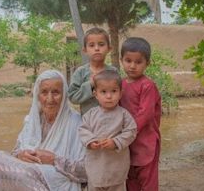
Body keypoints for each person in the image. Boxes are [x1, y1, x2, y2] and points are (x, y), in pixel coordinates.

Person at [0, 70, 86, 191]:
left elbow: (86, 171)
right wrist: (20, 155)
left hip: (56, 178)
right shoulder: (33, 120)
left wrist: (54, 160)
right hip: (27, 173)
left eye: (56, 92)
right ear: (37, 95)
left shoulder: (76, 122)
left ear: (64, 94)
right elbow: (14, 153)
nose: (50, 99)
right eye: (44, 92)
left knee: (24, 173)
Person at [79, 70, 137, 191]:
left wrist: (116, 142)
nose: (109, 96)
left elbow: (131, 131)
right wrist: (90, 141)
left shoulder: (124, 114)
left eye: (114, 91)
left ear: (121, 93)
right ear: (95, 94)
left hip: (117, 167)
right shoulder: (89, 115)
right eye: (103, 92)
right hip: (96, 166)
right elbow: (83, 130)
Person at [119, 37, 162, 191]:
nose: (132, 66)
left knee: (147, 180)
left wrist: (127, 132)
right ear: (121, 60)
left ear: (147, 63)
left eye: (138, 62)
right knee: (131, 178)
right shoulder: (121, 84)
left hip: (146, 141)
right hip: (128, 143)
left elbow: (146, 113)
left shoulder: (147, 85)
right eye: (128, 60)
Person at [68, 27, 117, 115]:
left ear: (109, 49)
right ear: (85, 50)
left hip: (111, 121)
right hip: (88, 123)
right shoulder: (80, 72)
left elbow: (119, 94)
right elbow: (72, 97)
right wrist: (90, 85)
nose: (97, 48)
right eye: (91, 45)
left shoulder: (113, 71)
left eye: (101, 44)